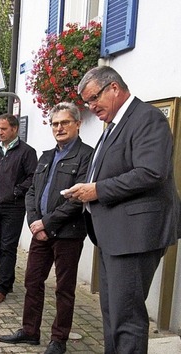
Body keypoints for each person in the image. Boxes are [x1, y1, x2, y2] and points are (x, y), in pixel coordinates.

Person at [65, 66, 180, 354]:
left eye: (93, 99)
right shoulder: (116, 124)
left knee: (126, 318)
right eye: (87, 103)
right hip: (113, 235)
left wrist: (97, 190)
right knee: (113, 313)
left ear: (114, 87)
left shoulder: (147, 118)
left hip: (134, 236)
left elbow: (152, 172)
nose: (91, 108)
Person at [0, 102, 93, 354]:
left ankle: (59, 339)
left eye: (64, 123)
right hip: (40, 232)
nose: (59, 128)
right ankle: (30, 332)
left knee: (64, 288)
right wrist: (33, 222)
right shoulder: (47, 155)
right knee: (32, 282)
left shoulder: (87, 156)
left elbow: (78, 198)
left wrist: (47, 222)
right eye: (55, 124)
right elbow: (32, 191)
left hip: (68, 233)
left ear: (77, 124)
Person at [0, 113, 38, 305]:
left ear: (14, 129)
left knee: (8, 246)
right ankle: (7, 281)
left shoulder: (27, 152)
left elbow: (32, 177)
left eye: (3, 129)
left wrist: (16, 191)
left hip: (13, 207)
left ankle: (2, 288)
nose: (0, 132)